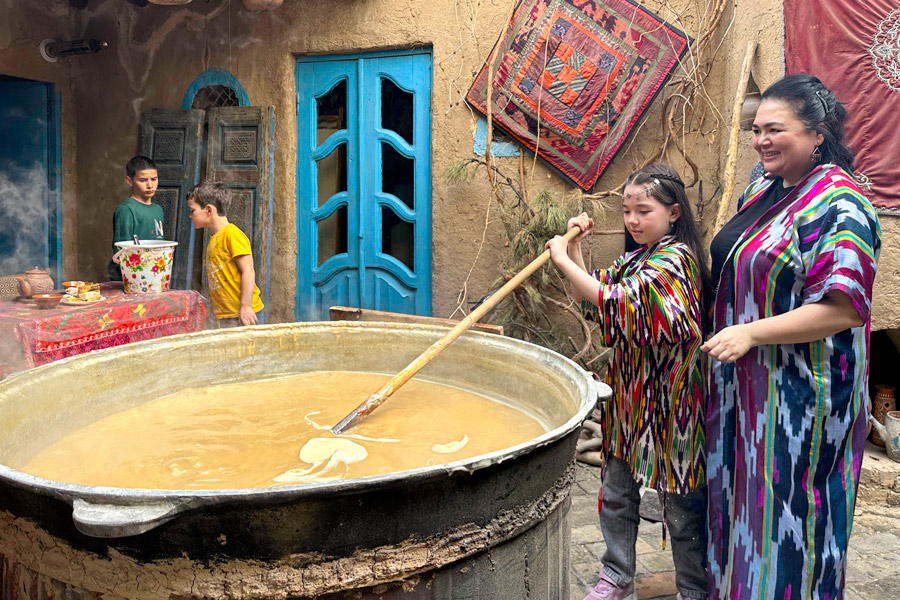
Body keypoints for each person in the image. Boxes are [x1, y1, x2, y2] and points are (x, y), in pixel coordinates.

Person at [702, 74, 881, 600]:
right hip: (748, 392)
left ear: (817, 134)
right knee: (743, 507)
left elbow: (843, 308)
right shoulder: (763, 187)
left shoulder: (841, 205)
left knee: (793, 519)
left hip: (801, 401)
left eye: (775, 130)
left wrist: (750, 332)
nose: (761, 141)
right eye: (757, 129)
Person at [547, 164, 710, 600]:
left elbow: (621, 302)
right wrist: (576, 249)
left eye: (644, 210)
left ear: (674, 212)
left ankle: (694, 589)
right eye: (626, 211)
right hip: (631, 397)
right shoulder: (638, 257)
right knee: (617, 490)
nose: (633, 221)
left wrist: (561, 258)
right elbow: (595, 297)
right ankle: (617, 576)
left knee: (681, 503)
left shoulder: (676, 259)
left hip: (675, 401)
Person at [187, 181, 264, 327]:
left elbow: (248, 271)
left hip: (244, 313)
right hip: (226, 315)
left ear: (209, 210)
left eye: (192, 210)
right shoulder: (214, 238)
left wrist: (246, 307)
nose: (190, 216)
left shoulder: (232, 234)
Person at [108, 155, 164, 281]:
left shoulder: (158, 210)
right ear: (130, 181)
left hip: (153, 272)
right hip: (131, 275)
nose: (150, 185)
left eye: (154, 179)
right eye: (143, 180)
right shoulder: (126, 210)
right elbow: (121, 248)